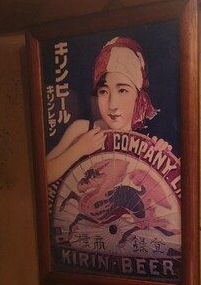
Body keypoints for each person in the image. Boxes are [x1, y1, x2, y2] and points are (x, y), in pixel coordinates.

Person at [46, 36, 159, 184]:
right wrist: (78, 149)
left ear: (138, 95)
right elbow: (44, 174)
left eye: (122, 91)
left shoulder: (143, 144)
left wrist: (159, 159)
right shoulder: (82, 129)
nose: (112, 104)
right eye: (104, 92)